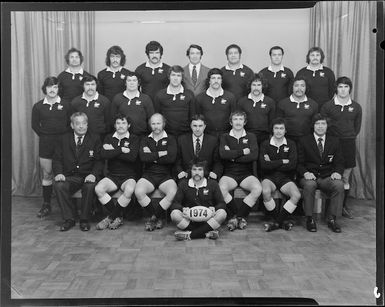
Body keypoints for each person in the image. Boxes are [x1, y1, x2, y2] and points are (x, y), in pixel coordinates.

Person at [52, 112, 103, 231]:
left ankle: (84, 219)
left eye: (84, 123)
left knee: (90, 187)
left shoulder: (95, 138)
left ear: (87, 125)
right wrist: (59, 173)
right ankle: (69, 219)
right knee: (59, 185)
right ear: (72, 125)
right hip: (70, 176)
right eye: (77, 123)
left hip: (87, 176)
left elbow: (99, 161)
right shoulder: (63, 139)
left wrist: (93, 174)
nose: (81, 126)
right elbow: (57, 159)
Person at [320, 76, 362, 219]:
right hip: (332, 143)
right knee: (331, 175)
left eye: (346, 87)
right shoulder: (327, 106)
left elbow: (357, 128)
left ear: (350, 89)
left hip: (349, 144)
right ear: (336, 89)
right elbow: (324, 126)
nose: (343, 90)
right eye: (340, 87)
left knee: (345, 177)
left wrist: (347, 136)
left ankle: (343, 207)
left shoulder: (356, 107)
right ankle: (329, 209)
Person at [297, 113, 345, 233]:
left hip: (326, 177)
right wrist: (305, 173)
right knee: (309, 185)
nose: (320, 126)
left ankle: (332, 219)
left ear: (327, 126)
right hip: (308, 176)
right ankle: (310, 219)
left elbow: (340, 162)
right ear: (313, 126)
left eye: (323, 124)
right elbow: (298, 163)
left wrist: (337, 172)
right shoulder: (304, 140)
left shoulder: (334, 141)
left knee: (339, 185)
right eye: (317, 124)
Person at [32, 76, 71, 218]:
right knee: (47, 174)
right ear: (45, 89)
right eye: (49, 87)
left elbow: (70, 124)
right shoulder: (38, 106)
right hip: (46, 144)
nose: (52, 90)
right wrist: (46, 135)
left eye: (55, 87)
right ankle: (47, 204)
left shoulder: (66, 104)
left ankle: (68, 206)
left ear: (59, 89)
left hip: (63, 144)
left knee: (66, 174)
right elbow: (35, 125)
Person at [94, 114, 140, 230]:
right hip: (112, 175)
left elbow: (132, 157)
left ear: (128, 125)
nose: (121, 126)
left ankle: (110, 217)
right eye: (118, 123)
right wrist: (121, 150)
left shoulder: (134, 138)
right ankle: (118, 216)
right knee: (98, 189)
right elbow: (104, 154)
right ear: (114, 125)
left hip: (129, 176)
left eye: (123, 123)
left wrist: (113, 151)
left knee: (129, 190)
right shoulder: (109, 137)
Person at [219, 111, 262, 231]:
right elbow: (223, 154)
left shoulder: (251, 136)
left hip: (246, 174)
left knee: (257, 189)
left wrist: (232, 156)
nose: (238, 122)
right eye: (235, 119)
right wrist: (243, 151)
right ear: (231, 122)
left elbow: (254, 156)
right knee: (221, 189)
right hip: (229, 173)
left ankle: (237, 216)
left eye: (240, 119)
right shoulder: (225, 136)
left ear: (245, 122)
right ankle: (240, 216)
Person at [134, 113, 178, 231]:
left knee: (173, 192)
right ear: (150, 125)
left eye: (158, 123)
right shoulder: (145, 139)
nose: (156, 126)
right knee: (138, 191)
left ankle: (154, 217)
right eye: (153, 123)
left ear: (163, 124)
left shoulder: (171, 138)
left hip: (166, 175)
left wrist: (152, 155)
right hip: (149, 174)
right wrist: (160, 153)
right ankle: (157, 217)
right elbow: (143, 158)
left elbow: (171, 158)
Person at [259, 118, 301, 232]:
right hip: (269, 177)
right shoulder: (265, 144)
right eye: (276, 128)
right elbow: (263, 165)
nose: (278, 131)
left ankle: (277, 222)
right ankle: (280, 220)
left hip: (285, 177)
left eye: (281, 128)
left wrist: (271, 162)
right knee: (265, 192)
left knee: (296, 195)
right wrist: (282, 161)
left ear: (285, 130)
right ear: (272, 130)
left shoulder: (291, 144)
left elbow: (292, 165)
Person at [171, 159, 227, 240]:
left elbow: (222, 203)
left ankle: (190, 235)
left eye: (200, 169)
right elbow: (175, 204)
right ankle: (206, 234)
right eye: (194, 169)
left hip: (208, 219)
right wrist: (182, 209)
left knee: (222, 213)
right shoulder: (183, 184)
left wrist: (214, 208)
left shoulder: (212, 184)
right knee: (174, 214)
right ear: (190, 171)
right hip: (189, 220)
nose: (197, 172)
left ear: (204, 171)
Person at [175, 114, 223, 181]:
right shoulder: (181, 140)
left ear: (205, 126)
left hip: (207, 177)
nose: (197, 129)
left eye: (200, 126)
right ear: (191, 126)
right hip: (186, 177)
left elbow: (217, 162)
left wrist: (215, 173)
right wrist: (180, 172)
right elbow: (177, 161)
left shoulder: (213, 140)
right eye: (195, 126)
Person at [154, 65, 196, 137]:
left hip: (185, 135)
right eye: (173, 75)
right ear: (169, 77)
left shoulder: (189, 94)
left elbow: (193, 116)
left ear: (182, 78)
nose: (175, 78)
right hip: (166, 135)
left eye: (178, 76)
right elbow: (157, 117)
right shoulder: (160, 95)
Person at [111, 71, 154, 137]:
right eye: (129, 80)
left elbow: (151, 119)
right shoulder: (117, 98)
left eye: (134, 80)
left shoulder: (146, 99)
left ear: (138, 83)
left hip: (141, 136)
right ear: (125, 83)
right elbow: (112, 118)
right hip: (122, 136)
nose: (131, 83)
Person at [237, 73, 276, 145]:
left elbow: (272, 122)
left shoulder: (270, 102)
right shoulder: (242, 102)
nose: (256, 88)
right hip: (246, 136)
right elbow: (237, 121)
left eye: (259, 85)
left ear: (263, 86)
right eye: (254, 85)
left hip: (264, 137)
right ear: (250, 86)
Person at [195, 68, 236, 137]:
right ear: (209, 81)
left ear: (221, 80)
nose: (216, 81)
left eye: (218, 78)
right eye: (213, 78)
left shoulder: (230, 97)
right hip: (206, 135)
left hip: (226, 135)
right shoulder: (200, 98)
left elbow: (234, 117)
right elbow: (197, 118)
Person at [276, 76, 318, 142]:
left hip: (307, 139)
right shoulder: (282, 103)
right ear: (291, 87)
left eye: (302, 86)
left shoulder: (313, 104)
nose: (299, 88)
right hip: (287, 139)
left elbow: (315, 125)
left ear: (306, 88)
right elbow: (278, 124)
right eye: (296, 85)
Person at [70, 75, 111, 139]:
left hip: (100, 137)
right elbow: (72, 122)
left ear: (96, 86)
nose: (90, 87)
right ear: (83, 86)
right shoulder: (75, 102)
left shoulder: (105, 101)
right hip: (81, 137)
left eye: (93, 84)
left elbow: (108, 122)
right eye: (87, 84)